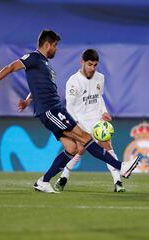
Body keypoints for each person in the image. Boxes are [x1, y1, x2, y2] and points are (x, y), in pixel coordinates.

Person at [0, 29, 141, 193]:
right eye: (55, 45)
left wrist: (28, 100)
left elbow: (39, 87)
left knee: (72, 148)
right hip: (51, 109)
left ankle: (43, 181)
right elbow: (10, 67)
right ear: (47, 44)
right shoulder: (33, 58)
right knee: (85, 138)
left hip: (52, 109)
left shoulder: (45, 64)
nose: (57, 49)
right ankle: (121, 167)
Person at [51, 49, 125, 192]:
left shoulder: (100, 78)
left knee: (108, 147)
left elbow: (99, 97)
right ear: (82, 62)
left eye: (95, 65)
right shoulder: (73, 81)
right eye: (90, 64)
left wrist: (104, 112)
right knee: (79, 149)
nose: (92, 68)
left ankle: (118, 182)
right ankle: (64, 177)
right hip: (80, 121)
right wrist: (75, 124)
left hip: (96, 120)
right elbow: (69, 106)